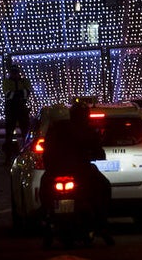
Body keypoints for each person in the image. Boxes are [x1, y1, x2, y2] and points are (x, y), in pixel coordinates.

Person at [41, 100, 113, 244]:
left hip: (58, 173)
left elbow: (45, 154)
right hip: (80, 172)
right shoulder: (83, 131)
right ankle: (103, 226)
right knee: (104, 186)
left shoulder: (52, 132)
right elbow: (95, 148)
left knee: (44, 189)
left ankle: (47, 220)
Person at [2, 64, 34, 151]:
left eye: (16, 72)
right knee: (9, 133)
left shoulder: (24, 81)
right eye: (13, 73)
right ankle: (8, 154)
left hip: (21, 108)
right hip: (11, 109)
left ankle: (27, 150)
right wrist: (20, 93)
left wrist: (15, 94)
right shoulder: (7, 82)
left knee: (25, 131)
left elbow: (27, 92)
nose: (14, 74)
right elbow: (8, 94)